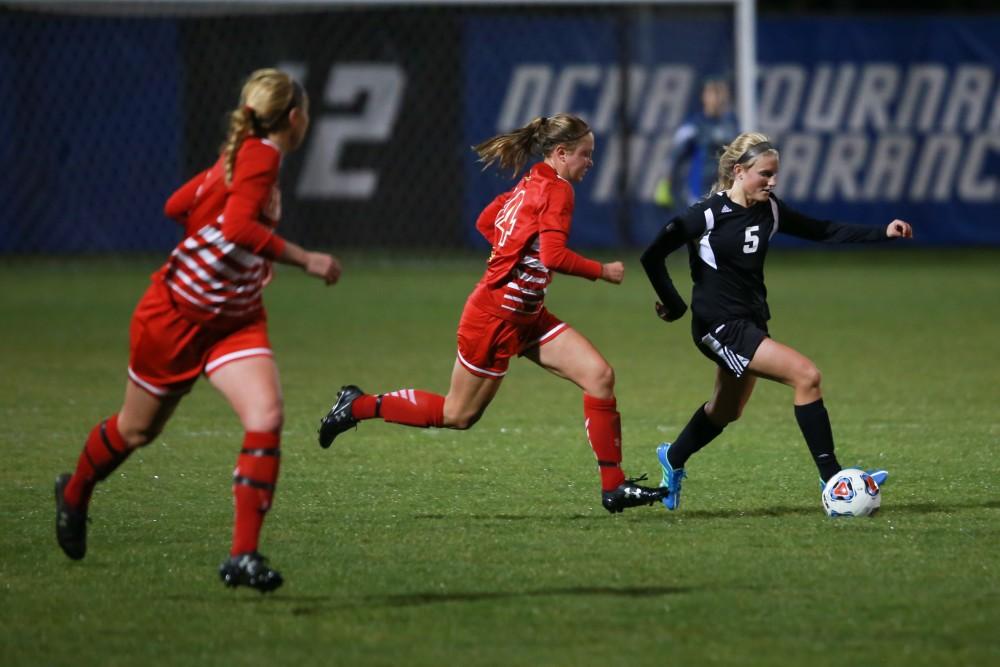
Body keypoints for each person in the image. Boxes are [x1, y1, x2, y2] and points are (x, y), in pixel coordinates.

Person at [53, 69, 341, 591]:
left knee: (266, 414)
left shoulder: (242, 156)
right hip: (176, 319)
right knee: (136, 431)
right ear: (294, 118)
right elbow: (235, 227)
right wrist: (306, 259)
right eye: (307, 110)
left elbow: (176, 207)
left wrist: (231, 253)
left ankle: (243, 556)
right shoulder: (260, 157)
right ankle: (74, 491)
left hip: (234, 320)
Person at [319, 113, 667, 513]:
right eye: (585, 154)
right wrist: (601, 271)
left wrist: (512, 255)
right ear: (560, 153)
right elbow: (553, 256)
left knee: (599, 377)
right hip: (494, 320)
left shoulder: (534, 181)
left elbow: (487, 221)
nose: (590, 161)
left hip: (529, 316)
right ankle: (357, 405)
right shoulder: (558, 191)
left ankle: (614, 486)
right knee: (457, 414)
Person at [640, 131, 913, 510]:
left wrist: (882, 232)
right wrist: (674, 305)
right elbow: (651, 255)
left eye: (775, 175)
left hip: (750, 321)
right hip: (718, 326)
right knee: (806, 376)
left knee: (726, 411)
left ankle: (673, 458)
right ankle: (834, 480)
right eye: (764, 174)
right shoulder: (705, 215)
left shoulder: (770, 209)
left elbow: (823, 230)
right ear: (739, 172)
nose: (772, 182)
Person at [655, 76, 739, 210]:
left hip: (727, 197)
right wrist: (665, 186)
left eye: (721, 92)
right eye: (713, 92)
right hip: (699, 197)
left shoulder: (733, 126)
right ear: (704, 96)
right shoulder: (693, 127)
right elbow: (673, 158)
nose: (717, 98)